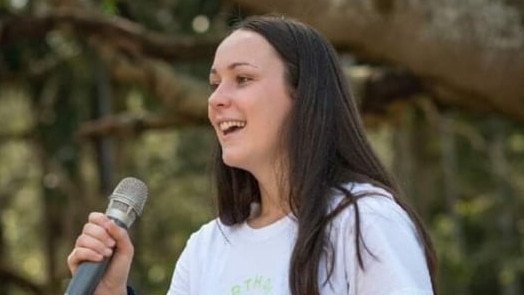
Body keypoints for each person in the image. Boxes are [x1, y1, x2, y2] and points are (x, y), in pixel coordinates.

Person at [67, 15, 437, 295]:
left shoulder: (364, 221)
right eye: (214, 84)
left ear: (303, 95)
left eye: (242, 79)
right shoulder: (207, 247)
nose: (216, 99)